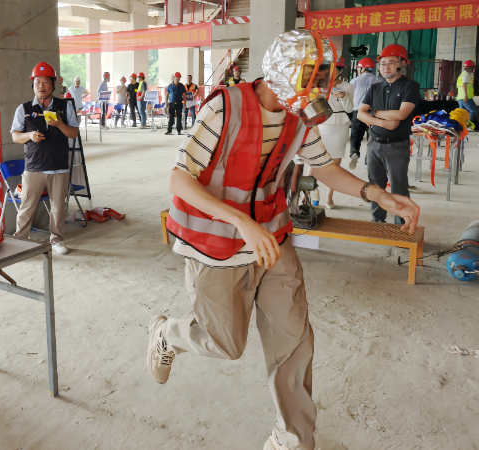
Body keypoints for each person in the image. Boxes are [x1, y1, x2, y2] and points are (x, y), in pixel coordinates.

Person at [151, 30, 421, 450]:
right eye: (311, 78)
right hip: (216, 245)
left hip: (272, 241)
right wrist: (241, 222)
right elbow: (178, 178)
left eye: (324, 78)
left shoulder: (298, 116)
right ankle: (168, 333)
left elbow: (325, 168)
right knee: (226, 344)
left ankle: (292, 438)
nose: (319, 90)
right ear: (283, 72)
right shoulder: (224, 107)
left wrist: (377, 194)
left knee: (294, 341)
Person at [10, 62, 80, 256]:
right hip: (34, 167)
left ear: (54, 84)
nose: (41, 86)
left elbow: (73, 133)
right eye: (37, 82)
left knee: (58, 207)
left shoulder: (65, 106)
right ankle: (21, 241)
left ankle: (57, 240)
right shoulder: (24, 108)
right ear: (33, 84)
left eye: (46, 82)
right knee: (27, 206)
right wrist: (29, 135)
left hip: (59, 166)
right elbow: (15, 136)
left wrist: (59, 124)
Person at [357, 44, 420, 224]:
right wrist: (383, 122)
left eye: (391, 63)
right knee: (375, 187)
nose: (386, 67)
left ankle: (402, 225)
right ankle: (377, 222)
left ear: (402, 63)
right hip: (373, 144)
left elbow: (402, 114)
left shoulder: (410, 86)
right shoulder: (374, 88)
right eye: (383, 63)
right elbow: (360, 114)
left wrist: (374, 113)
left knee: (398, 187)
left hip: (396, 145)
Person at [317, 56, 353, 208]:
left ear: (341, 70)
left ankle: (329, 196)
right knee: (316, 159)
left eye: (334, 69)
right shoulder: (319, 84)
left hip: (339, 126)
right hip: (322, 124)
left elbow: (350, 109)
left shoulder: (347, 86)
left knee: (335, 163)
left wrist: (344, 97)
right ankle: (311, 193)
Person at [348, 57, 383, 169]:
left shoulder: (354, 81)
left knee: (356, 134)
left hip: (358, 111)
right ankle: (370, 160)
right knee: (372, 136)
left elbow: (350, 96)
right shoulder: (380, 80)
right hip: (374, 112)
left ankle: (354, 152)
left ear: (362, 69)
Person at [456, 60, 477, 126]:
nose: (473, 69)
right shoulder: (466, 75)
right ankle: (468, 124)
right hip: (466, 97)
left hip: (460, 97)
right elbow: (464, 85)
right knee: (474, 110)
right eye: (472, 67)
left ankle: (462, 126)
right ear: (470, 67)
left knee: (463, 113)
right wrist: (466, 96)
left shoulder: (461, 75)